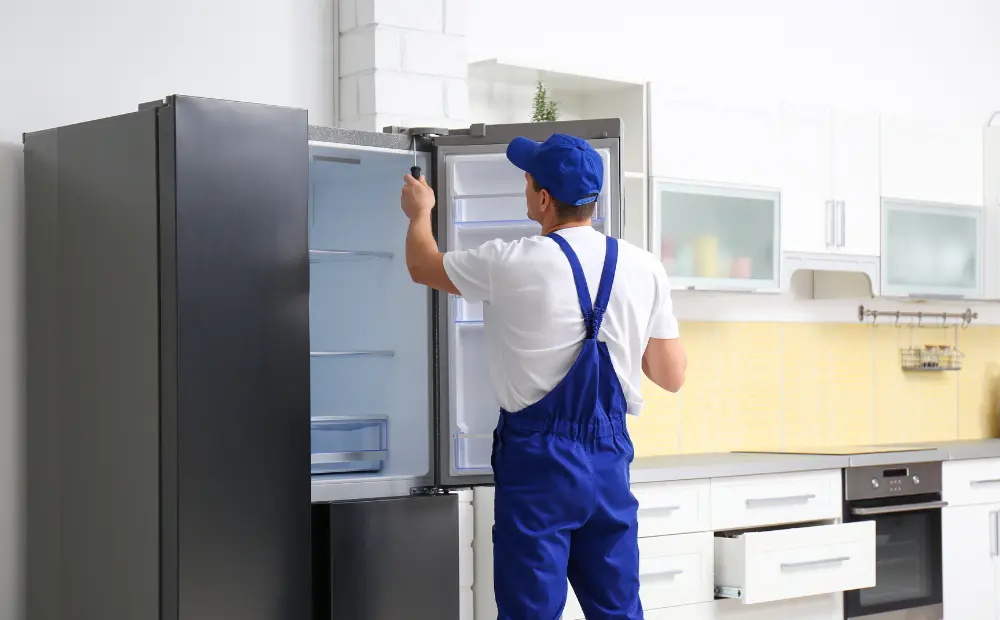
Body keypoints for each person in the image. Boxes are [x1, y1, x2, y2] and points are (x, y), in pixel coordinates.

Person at [400, 133, 687, 619]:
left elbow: (421, 265)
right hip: (608, 461)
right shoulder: (645, 267)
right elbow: (670, 375)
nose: (526, 186)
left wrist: (420, 212)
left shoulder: (509, 261)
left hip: (537, 464)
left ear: (543, 199)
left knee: (530, 613)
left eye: (527, 179)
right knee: (617, 611)